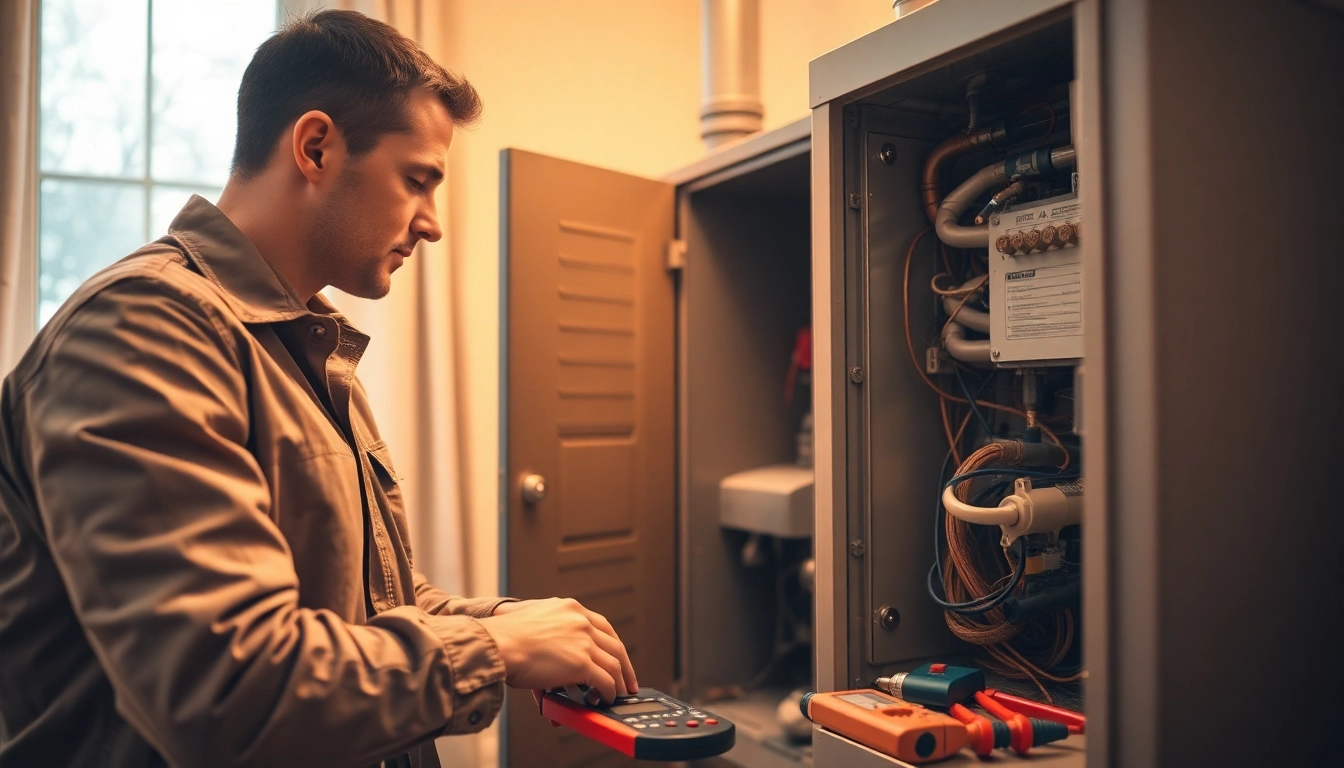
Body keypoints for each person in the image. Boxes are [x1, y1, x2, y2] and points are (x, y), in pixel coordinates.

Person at [0, 10, 635, 768]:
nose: (432, 224)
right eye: (418, 179)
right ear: (315, 147)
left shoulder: (306, 344)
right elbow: (226, 691)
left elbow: (363, 611)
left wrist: (512, 622)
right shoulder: (144, 331)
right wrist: (494, 648)